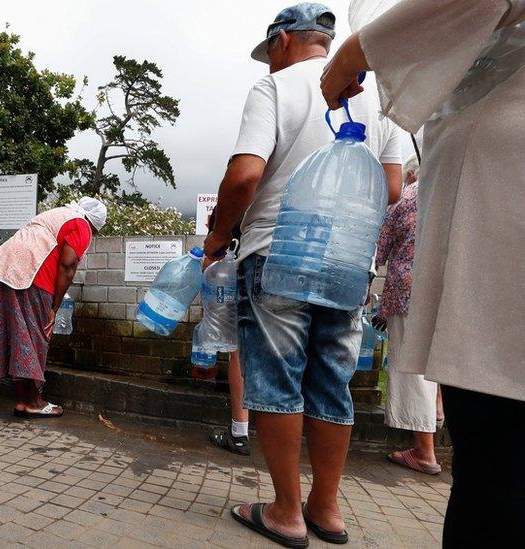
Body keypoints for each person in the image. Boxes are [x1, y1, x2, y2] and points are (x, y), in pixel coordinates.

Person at [322, 2, 525, 545]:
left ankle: (420, 448)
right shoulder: (400, 166)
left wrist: (361, 47)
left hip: (485, 231)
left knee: (491, 442)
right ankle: (425, 449)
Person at [205, 5, 402, 547]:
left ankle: (287, 513)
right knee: (331, 383)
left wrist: (217, 238)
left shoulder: (274, 89)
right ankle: (327, 509)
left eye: (270, 50)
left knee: (277, 381)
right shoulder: (377, 98)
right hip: (346, 262)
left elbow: (245, 175)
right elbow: (389, 191)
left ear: (284, 41)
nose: (269, 60)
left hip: (277, 255)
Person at [0, 197, 106, 417]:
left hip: (3, 267)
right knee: (36, 334)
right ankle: (34, 402)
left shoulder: (57, 214)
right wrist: (55, 308)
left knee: (17, 335)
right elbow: (67, 265)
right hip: (32, 275)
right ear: (94, 224)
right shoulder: (82, 224)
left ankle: (24, 400)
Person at [372, 156, 440, 475]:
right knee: (435, 361)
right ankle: (436, 416)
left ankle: (425, 451)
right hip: (442, 288)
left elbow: (380, 251)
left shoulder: (405, 199)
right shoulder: (444, 193)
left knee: (411, 368)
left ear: (411, 174)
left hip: (408, 291)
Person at [205, 206, 250, 456]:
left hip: (249, 272)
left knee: (238, 353)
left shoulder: (237, 201)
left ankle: (240, 433)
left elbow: (213, 253)